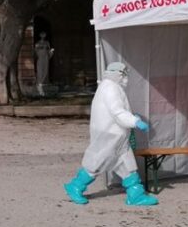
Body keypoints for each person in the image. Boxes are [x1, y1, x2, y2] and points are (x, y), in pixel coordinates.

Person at [63, 61, 158, 206]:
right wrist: (134, 121)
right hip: (110, 135)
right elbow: (117, 112)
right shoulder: (110, 88)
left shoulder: (111, 87)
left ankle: (135, 194)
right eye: (124, 74)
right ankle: (75, 186)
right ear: (118, 74)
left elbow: (119, 111)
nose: (126, 78)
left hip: (117, 135)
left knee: (127, 164)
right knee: (97, 161)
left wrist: (132, 119)